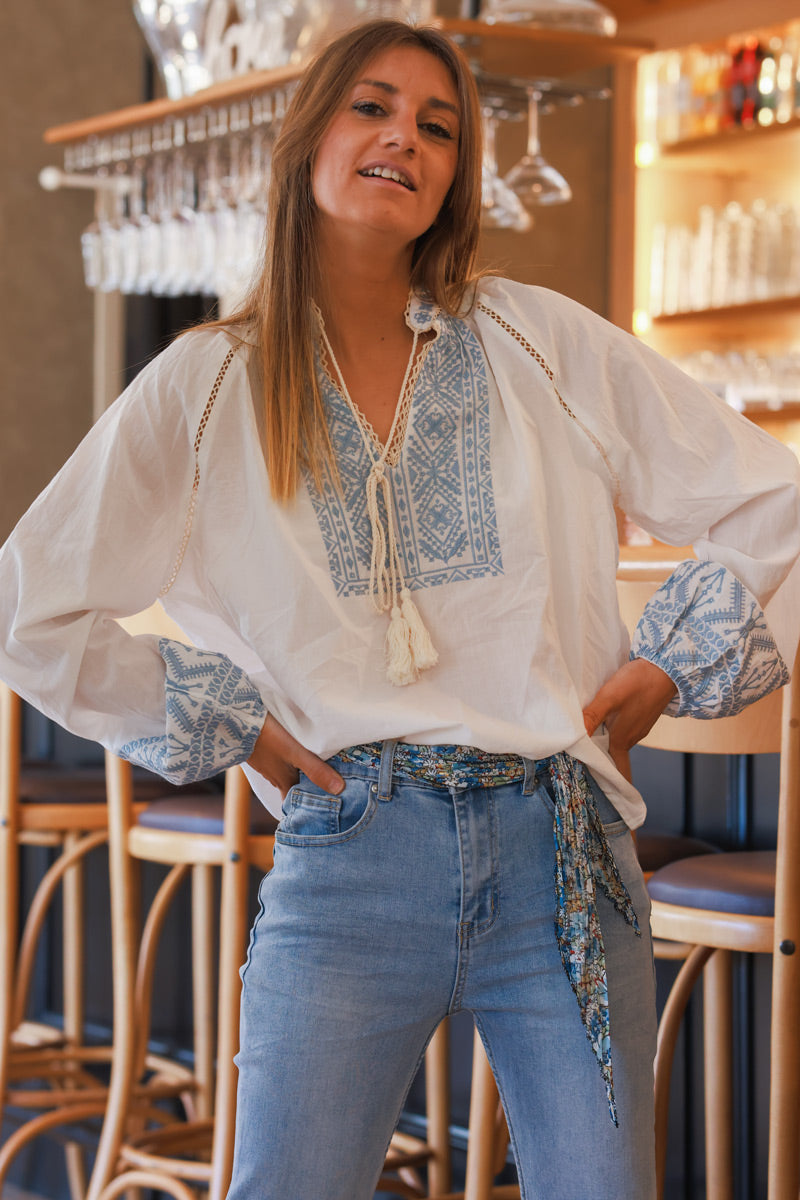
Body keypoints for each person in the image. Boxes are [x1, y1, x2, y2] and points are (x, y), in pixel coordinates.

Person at [1, 18, 799, 1200]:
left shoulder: (541, 343)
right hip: (350, 859)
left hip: (562, 860)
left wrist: (665, 670)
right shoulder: (205, 383)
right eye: (371, 108)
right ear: (306, 135)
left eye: (438, 126)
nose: (404, 140)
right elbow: (33, 607)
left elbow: (772, 498)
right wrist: (234, 727)